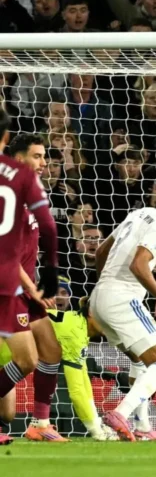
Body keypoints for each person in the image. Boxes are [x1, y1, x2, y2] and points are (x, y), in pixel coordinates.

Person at [90, 180, 156, 441]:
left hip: (102, 296)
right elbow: (140, 265)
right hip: (122, 298)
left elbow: (101, 251)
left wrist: (103, 286)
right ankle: (120, 413)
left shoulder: (138, 214)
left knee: (140, 361)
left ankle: (143, 427)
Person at [0, 118, 59, 446]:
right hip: (14, 287)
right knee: (27, 361)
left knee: (50, 351)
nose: (43, 162)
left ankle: (40, 422)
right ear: (18, 158)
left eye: (44, 155)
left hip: (23, 286)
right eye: (37, 155)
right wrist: (33, 288)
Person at [0, 297, 118, 443]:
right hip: (8, 351)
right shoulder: (74, 332)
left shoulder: (78, 327)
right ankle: (40, 424)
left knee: (7, 414)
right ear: (92, 313)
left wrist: (98, 422)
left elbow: (84, 380)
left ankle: (40, 424)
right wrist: (96, 430)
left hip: (8, 356)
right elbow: (77, 390)